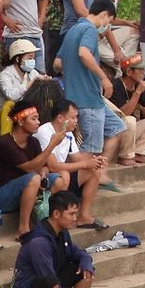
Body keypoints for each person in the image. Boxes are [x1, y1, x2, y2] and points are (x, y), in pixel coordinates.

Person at [10, 189, 101, 288]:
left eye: (76, 214)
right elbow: (48, 278)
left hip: (50, 284)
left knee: (86, 270)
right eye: (71, 214)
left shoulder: (61, 232)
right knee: (50, 282)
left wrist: (86, 262)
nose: (74, 218)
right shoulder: (39, 242)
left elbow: (78, 253)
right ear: (57, 214)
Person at [0, 99, 66, 236]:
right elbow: (29, 168)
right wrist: (52, 145)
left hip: (25, 188)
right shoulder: (5, 142)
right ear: (20, 122)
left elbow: (44, 166)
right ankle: (23, 228)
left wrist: (44, 174)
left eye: (38, 119)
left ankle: (46, 224)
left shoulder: (33, 142)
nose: (38, 122)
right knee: (33, 178)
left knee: (58, 180)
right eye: (34, 119)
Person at [55, 0, 126, 161]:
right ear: (103, 15)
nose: (107, 27)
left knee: (117, 128)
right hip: (88, 98)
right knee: (90, 148)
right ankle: (85, 178)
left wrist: (74, 71)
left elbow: (57, 63)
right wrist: (103, 78)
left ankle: (99, 173)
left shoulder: (73, 30)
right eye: (109, 21)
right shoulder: (89, 30)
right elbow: (84, 53)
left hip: (79, 96)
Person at [34, 97, 108, 228]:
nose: (76, 121)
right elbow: (53, 166)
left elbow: (78, 158)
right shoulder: (45, 131)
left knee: (95, 170)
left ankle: (83, 216)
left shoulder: (68, 134)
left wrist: (94, 161)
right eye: (73, 118)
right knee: (63, 175)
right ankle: (54, 220)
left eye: (77, 117)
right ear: (60, 118)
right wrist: (85, 164)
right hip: (46, 178)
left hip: (62, 176)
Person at [0, 38, 47, 124]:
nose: (32, 61)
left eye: (33, 58)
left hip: (21, 114)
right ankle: (5, 137)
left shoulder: (32, 72)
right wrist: (30, 83)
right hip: (1, 116)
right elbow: (12, 96)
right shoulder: (5, 75)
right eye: (29, 58)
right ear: (18, 59)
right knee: (9, 104)